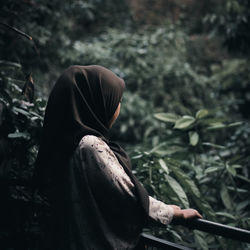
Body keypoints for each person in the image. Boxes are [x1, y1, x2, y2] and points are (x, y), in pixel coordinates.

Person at [33, 65, 202, 250]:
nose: (118, 107)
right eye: (117, 100)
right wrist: (175, 213)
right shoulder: (90, 145)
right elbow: (128, 197)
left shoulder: (64, 143)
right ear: (97, 102)